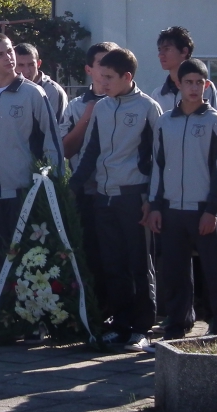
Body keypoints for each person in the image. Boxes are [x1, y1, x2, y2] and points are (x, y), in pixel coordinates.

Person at [0, 34, 64, 324]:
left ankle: (30, 320)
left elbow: (52, 142)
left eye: (9, 51)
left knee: (25, 258)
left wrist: (52, 184)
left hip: (23, 192)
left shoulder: (34, 94)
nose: (8, 57)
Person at [68, 47, 161, 351]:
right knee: (112, 264)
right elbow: (91, 152)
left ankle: (142, 328)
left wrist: (151, 199)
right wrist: (72, 187)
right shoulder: (102, 108)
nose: (103, 82)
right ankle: (121, 324)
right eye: (101, 76)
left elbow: (158, 158)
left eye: (109, 77)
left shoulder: (148, 108)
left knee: (138, 264)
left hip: (134, 196)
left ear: (127, 76)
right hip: (103, 197)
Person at [147, 58, 217, 345]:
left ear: (207, 85)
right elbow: (158, 166)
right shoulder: (165, 122)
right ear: (179, 84)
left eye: (199, 83)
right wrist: (155, 206)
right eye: (188, 82)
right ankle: (178, 323)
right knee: (174, 271)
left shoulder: (216, 122)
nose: (194, 88)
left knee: (215, 271)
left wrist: (213, 209)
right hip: (171, 208)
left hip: (203, 209)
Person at [61, 41, 119, 313]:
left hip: (117, 193)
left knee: (116, 257)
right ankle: (91, 312)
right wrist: (88, 117)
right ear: (89, 70)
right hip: (84, 192)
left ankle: (118, 313)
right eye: (102, 63)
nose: (107, 70)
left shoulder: (129, 103)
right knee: (88, 255)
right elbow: (65, 149)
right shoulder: (75, 106)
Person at [151, 26, 217, 111]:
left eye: (167, 49)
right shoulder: (157, 95)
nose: (160, 55)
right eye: (159, 50)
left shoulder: (205, 88)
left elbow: (215, 117)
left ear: (184, 52)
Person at [14, 42, 68, 124]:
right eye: (21, 65)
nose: (27, 71)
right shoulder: (8, 89)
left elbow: (58, 128)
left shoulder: (53, 92)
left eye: (31, 65)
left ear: (38, 64)